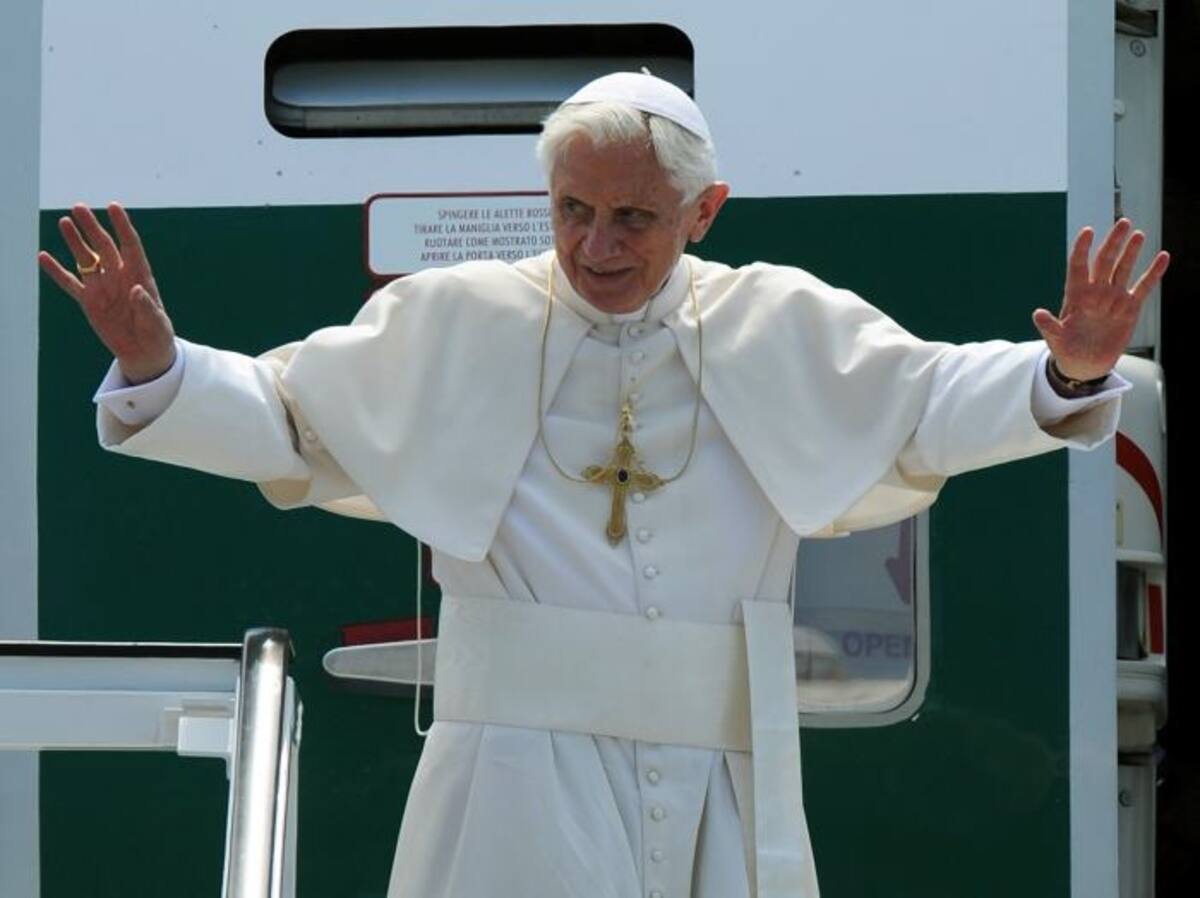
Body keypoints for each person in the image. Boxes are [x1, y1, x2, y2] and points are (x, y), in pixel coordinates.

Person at [38, 72, 1169, 898]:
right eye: (573, 211)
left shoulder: (774, 321)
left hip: (719, 782)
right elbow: (291, 419)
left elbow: (927, 402)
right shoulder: (462, 318)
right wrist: (159, 365)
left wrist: (1068, 370)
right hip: (511, 778)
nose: (596, 247)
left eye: (633, 218)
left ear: (703, 212)